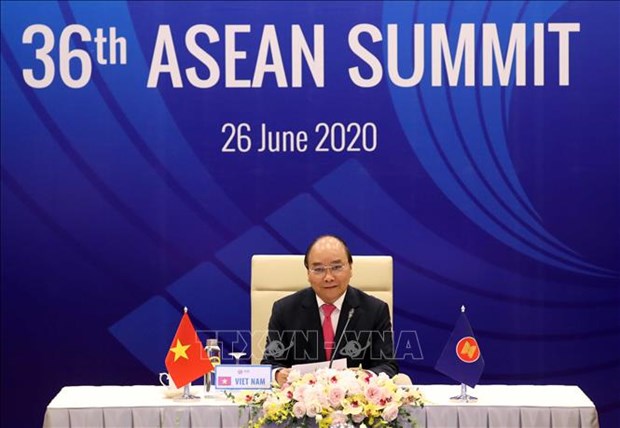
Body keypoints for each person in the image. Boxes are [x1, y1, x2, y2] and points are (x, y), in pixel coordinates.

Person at [261, 235, 399, 386]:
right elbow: (270, 363)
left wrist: (363, 376)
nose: (328, 277)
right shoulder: (284, 310)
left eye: (337, 267)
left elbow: (387, 366)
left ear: (351, 268)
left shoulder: (375, 310)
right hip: (300, 402)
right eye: (319, 269)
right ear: (308, 274)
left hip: (352, 401)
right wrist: (278, 374)